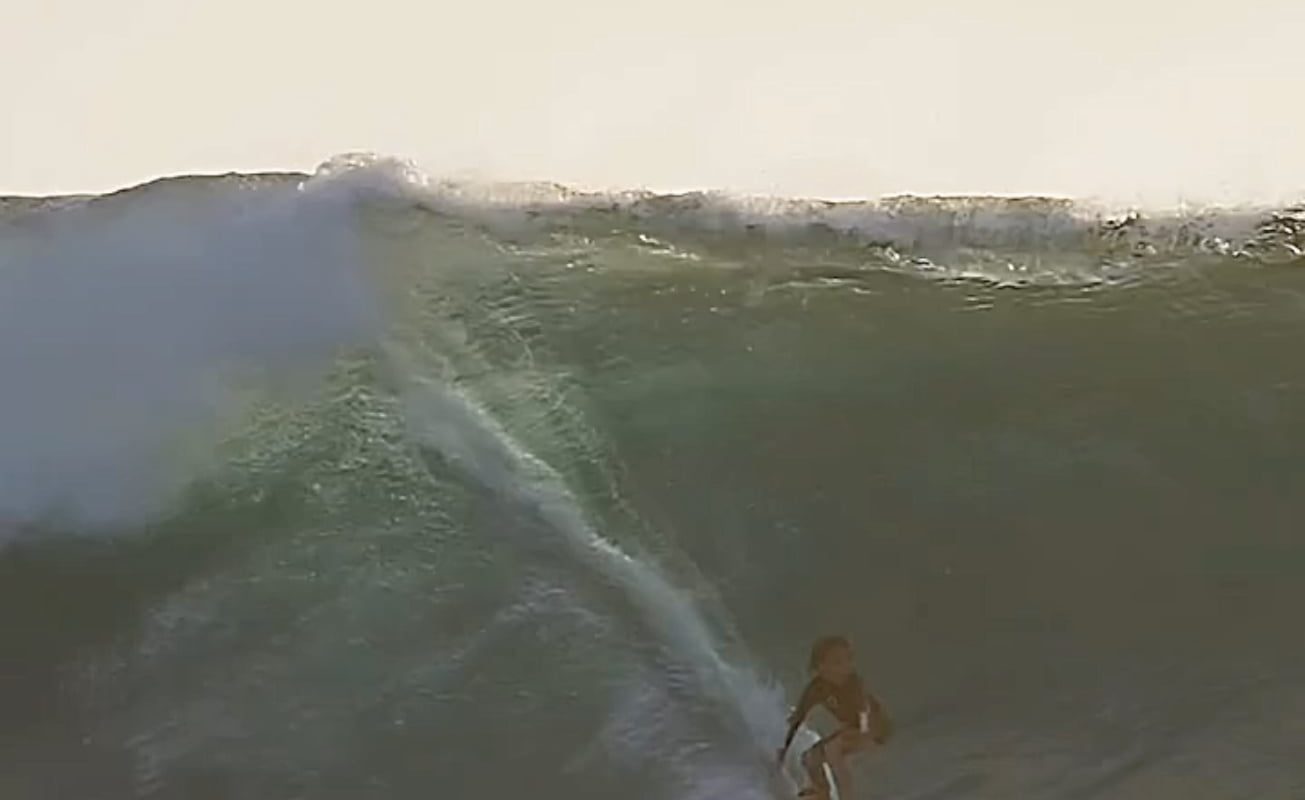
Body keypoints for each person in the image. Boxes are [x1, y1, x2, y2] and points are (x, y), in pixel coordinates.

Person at [776, 635, 891, 798]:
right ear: (820, 667)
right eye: (837, 662)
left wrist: (864, 732)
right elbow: (797, 719)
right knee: (809, 758)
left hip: (876, 729)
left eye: (848, 660)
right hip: (850, 731)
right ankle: (822, 793)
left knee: (833, 750)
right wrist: (784, 749)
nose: (846, 667)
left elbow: (863, 708)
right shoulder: (816, 689)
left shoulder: (854, 683)